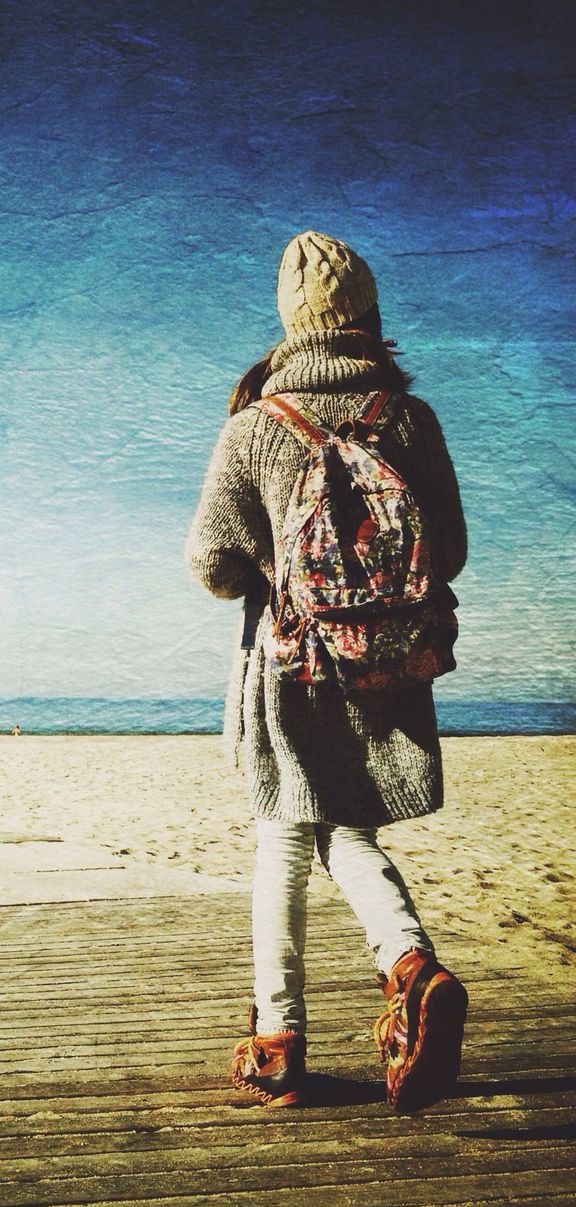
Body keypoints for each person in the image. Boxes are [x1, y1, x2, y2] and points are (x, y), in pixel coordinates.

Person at [185, 230, 469, 1112]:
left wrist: (273, 575)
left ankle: (279, 1038)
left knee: (282, 834)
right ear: (368, 314)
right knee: (345, 826)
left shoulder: (256, 428)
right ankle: (409, 966)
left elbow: (210, 563)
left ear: (288, 320)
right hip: (389, 664)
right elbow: (449, 551)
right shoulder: (409, 419)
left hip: (292, 666)